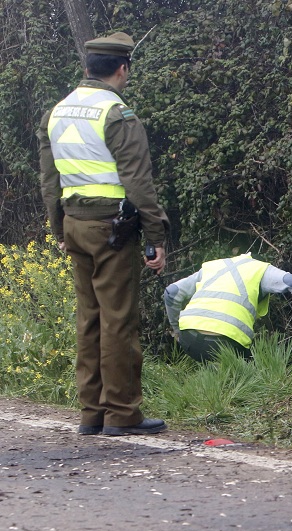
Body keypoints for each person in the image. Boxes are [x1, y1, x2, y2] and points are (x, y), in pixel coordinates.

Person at [37, 32, 169, 436]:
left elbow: (49, 179)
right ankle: (122, 414)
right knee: (118, 321)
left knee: (89, 320)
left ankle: (91, 413)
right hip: (112, 228)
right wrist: (155, 236)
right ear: (122, 68)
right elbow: (138, 182)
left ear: (85, 68)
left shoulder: (56, 113)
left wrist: (59, 227)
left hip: (75, 225)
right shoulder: (116, 114)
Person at [164, 254, 292, 362]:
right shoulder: (260, 269)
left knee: (213, 362)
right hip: (227, 344)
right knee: (251, 370)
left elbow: (171, 292)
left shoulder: (212, 266)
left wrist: (177, 330)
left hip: (189, 340)